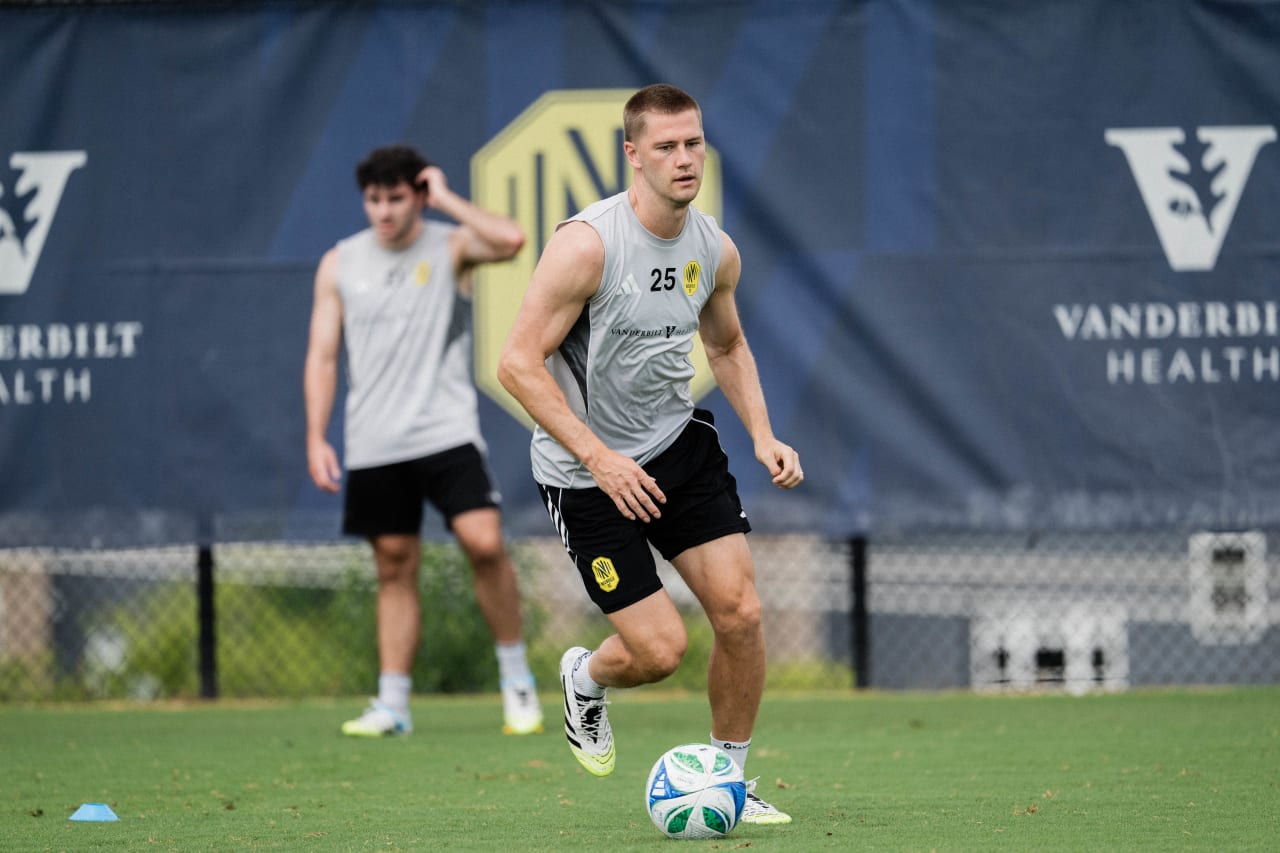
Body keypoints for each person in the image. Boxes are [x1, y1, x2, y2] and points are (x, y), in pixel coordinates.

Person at [496, 84, 801, 825]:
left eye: (693, 142)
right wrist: (599, 458)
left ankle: (729, 778)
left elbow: (725, 342)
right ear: (632, 155)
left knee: (741, 612)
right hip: (586, 473)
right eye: (665, 146)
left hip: (675, 444)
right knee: (660, 651)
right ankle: (586, 676)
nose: (684, 157)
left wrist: (762, 434)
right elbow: (516, 364)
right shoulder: (588, 246)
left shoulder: (712, 247)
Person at [304, 144, 543, 738]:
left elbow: (512, 240)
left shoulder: (451, 245)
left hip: (446, 432)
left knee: (484, 544)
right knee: (393, 564)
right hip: (373, 441)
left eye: (397, 197)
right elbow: (323, 355)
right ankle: (393, 704)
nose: (384, 211)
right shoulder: (339, 263)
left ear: (417, 195)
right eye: (374, 199)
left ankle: (516, 681)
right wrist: (316, 436)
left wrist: (445, 198)